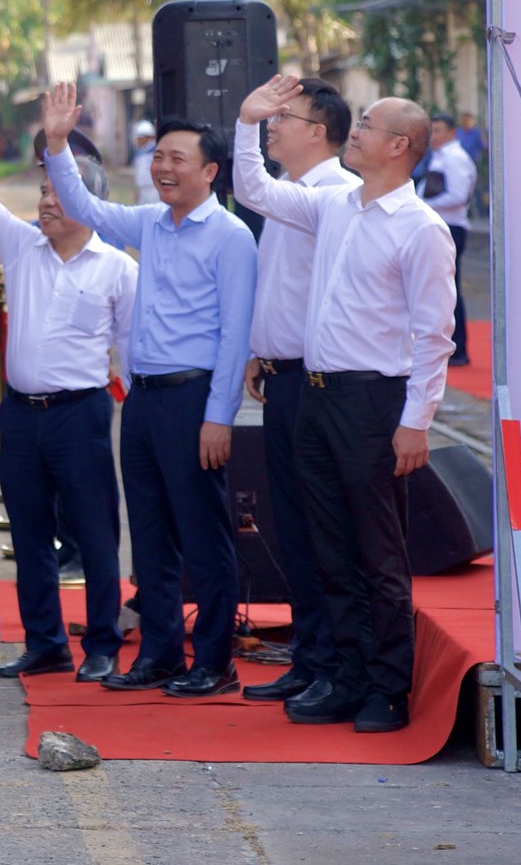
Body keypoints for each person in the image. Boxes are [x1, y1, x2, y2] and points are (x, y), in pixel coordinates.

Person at [232, 74, 456, 733]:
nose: (350, 133)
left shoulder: (420, 229)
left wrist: (416, 421)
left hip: (372, 402)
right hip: (319, 399)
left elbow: (433, 334)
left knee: (378, 554)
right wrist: (249, 124)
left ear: (398, 145)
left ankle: (389, 685)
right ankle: (345, 675)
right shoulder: (335, 206)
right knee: (329, 545)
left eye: (363, 127)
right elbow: (254, 190)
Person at [40, 82, 257, 698]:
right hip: (143, 400)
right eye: (158, 156)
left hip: (194, 403)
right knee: (153, 534)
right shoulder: (152, 224)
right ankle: (161, 653)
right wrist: (57, 143)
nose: (163, 166)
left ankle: (213, 660)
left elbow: (236, 334)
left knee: (203, 535)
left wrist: (220, 417)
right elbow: (84, 206)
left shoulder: (231, 237)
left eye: (177, 158)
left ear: (211, 171)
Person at [0, 87, 139, 685]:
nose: (45, 203)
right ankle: (45, 642)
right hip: (21, 415)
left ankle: (103, 643)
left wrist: (138, 426)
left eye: (58, 194)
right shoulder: (22, 246)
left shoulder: (118, 268)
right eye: (43, 192)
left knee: (94, 532)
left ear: (89, 202)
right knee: (30, 531)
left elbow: (131, 353)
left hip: (80, 415)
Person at [228, 77, 360, 704]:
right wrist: (262, 349)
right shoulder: (297, 196)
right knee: (293, 524)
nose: (274, 125)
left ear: (319, 132)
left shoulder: (335, 194)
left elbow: (248, 186)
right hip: (284, 374)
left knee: (320, 527)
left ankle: (333, 663)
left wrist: (244, 122)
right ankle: (310, 659)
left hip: (318, 382)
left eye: (286, 117)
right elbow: (282, 286)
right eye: (269, 119)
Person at [421, 115, 477, 366]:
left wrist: (422, 205)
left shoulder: (455, 159)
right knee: (441, 289)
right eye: (431, 131)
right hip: (441, 224)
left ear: (452, 133)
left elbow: (458, 195)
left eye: (438, 130)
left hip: (450, 226)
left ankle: (459, 348)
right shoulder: (441, 156)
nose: (434, 136)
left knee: (449, 290)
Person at [129, 121, 157, 203]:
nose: (137, 140)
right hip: (142, 190)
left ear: (148, 137)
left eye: (140, 137)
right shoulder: (140, 153)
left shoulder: (155, 151)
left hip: (153, 190)